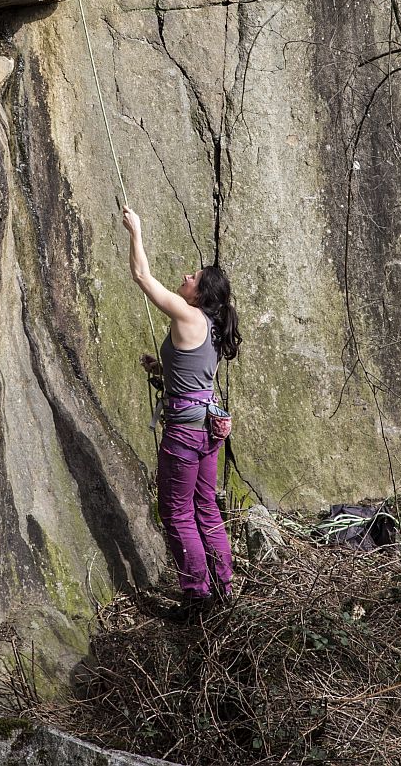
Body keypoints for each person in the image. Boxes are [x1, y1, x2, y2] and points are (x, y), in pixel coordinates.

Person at [121, 206, 241, 617]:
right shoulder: (209, 327)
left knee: (176, 512)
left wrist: (136, 231)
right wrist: (162, 369)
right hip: (208, 429)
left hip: (186, 433)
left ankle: (196, 597)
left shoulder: (188, 316)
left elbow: (142, 278)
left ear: (200, 294)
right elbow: (193, 375)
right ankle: (224, 587)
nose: (186, 278)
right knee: (206, 507)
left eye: (193, 278)